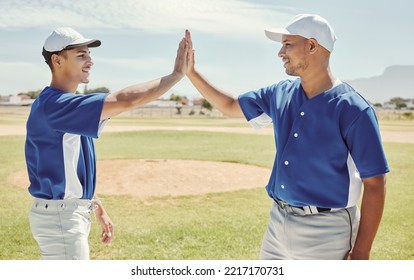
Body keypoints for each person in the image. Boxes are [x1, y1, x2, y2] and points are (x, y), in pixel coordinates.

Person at [184, 14, 389, 260]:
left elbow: (375, 184)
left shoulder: (354, 109)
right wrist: (191, 73)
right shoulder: (280, 93)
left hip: (328, 232)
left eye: (287, 44)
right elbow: (229, 106)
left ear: (312, 46)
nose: (280, 52)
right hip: (277, 224)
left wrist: (362, 251)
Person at [25, 27, 188, 260]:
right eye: (81, 55)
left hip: (64, 215)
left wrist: (95, 205)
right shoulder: (55, 105)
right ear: (57, 60)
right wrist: (175, 75)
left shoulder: (63, 105)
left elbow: (73, 165)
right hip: (61, 219)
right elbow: (125, 100)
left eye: (89, 54)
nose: (90, 61)